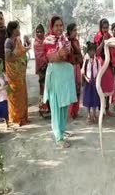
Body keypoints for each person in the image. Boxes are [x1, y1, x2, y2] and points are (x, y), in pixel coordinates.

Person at [43, 16, 77, 148]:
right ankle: (58, 137)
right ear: (51, 27)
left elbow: (68, 56)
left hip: (64, 76)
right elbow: (50, 58)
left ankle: (62, 130)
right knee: (56, 105)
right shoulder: (48, 40)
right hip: (56, 76)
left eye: (61, 25)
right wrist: (59, 54)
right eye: (56, 25)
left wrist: (66, 52)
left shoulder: (65, 39)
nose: (59, 28)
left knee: (64, 104)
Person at [4, 21, 29, 127]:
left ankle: (22, 117)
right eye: (17, 28)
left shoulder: (17, 40)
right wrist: (20, 54)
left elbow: (22, 51)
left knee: (22, 96)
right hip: (13, 74)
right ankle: (16, 118)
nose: (19, 30)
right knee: (14, 96)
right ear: (13, 30)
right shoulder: (8, 42)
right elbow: (7, 57)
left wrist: (26, 47)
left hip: (20, 74)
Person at [94, 18, 115, 117]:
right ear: (100, 28)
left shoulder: (110, 36)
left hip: (109, 65)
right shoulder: (97, 37)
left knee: (108, 87)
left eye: (107, 28)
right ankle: (100, 110)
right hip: (100, 65)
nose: (105, 30)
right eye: (104, 28)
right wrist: (103, 41)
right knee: (100, 88)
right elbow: (97, 52)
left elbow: (114, 50)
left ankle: (107, 109)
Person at [66, 23, 83, 120]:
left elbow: (79, 54)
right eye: (74, 30)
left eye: (76, 30)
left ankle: (76, 111)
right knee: (71, 89)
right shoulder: (67, 41)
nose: (76, 32)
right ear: (69, 31)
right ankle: (70, 112)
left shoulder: (76, 41)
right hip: (70, 67)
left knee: (78, 88)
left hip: (77, 67)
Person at [82, 42, 101, 124]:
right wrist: (86, 78)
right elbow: (83, 72)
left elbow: (100, 71)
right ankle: (88, 115)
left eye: (93, 51)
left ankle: (94, 114)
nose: (92, 52)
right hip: (88, 83)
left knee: (95, 99)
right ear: (88, 51)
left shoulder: (97, 61)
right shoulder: (86, 61)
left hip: (95, 83)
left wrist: (97, 78)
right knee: (88, 99)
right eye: (90, 51)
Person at [34, 24, 50, 118]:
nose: (39, 33)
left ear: (44, 32)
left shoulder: (46, 41)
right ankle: (42, 109)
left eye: (41, 31)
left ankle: (49, 108)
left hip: (49, 67)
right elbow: (39, 56)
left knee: (49, 89)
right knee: (42, 90)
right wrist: (47, 59)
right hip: (41, 69)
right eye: (38, 31)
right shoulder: (36, 43)